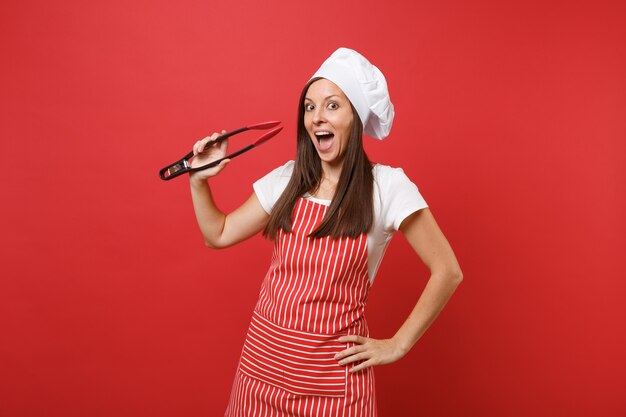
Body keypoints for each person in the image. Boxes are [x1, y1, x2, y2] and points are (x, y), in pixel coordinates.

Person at [188, 48, 463, 416]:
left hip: (332, 387)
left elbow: (448, 270)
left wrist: (399, 344)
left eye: (332, 105)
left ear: (356, 118)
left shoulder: (387, 187)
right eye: (309, 106)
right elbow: (217, 234)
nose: (317, 117)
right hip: (260, 374)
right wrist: (198, 181)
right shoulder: (289, 179)